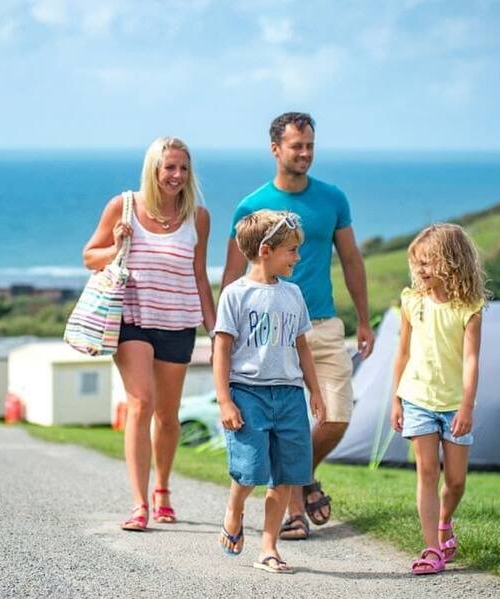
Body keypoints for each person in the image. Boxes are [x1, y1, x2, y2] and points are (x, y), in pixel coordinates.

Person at [220, 112, 374, 541]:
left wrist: (363, 319)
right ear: (275, 149)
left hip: (322, 325)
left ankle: (301, 479)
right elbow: (232, 275)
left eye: (310, 146)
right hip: (267, 333)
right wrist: (224, 333)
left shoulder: (333, 199)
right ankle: (293, 509)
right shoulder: (250, 206)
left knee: (337, 416)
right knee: (283, 423)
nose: (305, 154)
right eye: (296, 146)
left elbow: (351, 260)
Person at [82, 137, 217, 532]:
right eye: (169, 167)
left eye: (183, 168)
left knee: (168, 417)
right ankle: (139, 504)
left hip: (178, 322)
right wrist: (116, 246)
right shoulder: (123, 206)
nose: (177, 175)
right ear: (153, 169)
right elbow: (90, 256)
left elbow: (199, 275)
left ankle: (162, 489)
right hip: (132, 320)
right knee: (141, 403)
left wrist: (215, 331)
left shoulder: (198, 217)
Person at [213, 209, 327, 574]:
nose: (298, 257)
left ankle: (268, 547)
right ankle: (234, 509)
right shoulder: (235, 294)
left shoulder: (293, 294)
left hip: (290, 395)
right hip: (248, 394)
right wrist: (225, 400)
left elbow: (302, 346)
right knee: (250, 470)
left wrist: (315, 391)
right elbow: (221, 349)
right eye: (291, 250)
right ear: (265, 250)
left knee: (287, 474)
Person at [389, 223, 486, 574]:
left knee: (456, 481)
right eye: (416, 263)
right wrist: (396, 400)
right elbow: (402, 353)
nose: (420, 270)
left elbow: (471, 360)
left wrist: (467, 406)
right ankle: (431, 549)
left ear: (452, 261)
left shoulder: (469, 308)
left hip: (454, 405)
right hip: (417, 398)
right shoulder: (411, 301)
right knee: (427, 472)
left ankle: (445, 520)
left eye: (427, 262)